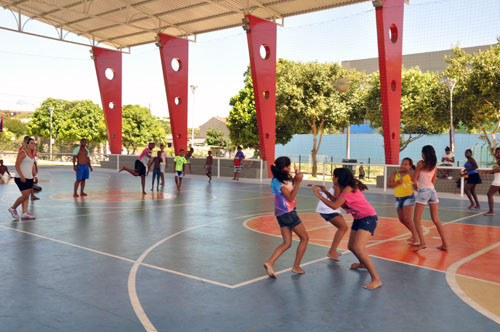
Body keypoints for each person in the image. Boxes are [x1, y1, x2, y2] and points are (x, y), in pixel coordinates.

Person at [312, 167, 382, 290]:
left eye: (333, 176)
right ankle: (362, 264)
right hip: (359, 219)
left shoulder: (348, 190)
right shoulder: (344, 190)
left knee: (359, 248)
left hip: (368, 218)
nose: (332, 178)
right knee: (351, 247)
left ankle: (376, 279)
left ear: (337, 178)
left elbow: (334, 206)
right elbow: (337, 201)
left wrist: (319, 195)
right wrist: (326, 193)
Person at [264, 157, 308, 278]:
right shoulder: (280, 183)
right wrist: (298, 183)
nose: (289, 168)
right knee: (304, 238)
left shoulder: (277, 179)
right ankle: (296, 266)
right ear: (283, 167)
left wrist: (296, 179)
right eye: (287, 166)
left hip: (280, 214)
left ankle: (270, 263)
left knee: (287, 242)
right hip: (288, 213)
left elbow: (289, 186)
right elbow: (290, 197)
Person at [412, 145, 448, 252]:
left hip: (424, 191)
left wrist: (416, 187)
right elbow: (433, 182)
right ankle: (445, 244)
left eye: (422, 152)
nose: (421, 154)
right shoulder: (434, 166)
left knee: (416, 219)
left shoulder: (420, 164)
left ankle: (422, 243)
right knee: (436, 220)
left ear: (425, 154)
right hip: (432, 191)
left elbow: (414, 179)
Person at [310, 182, 348, 261]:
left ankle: (332, 251)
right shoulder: (338, 186)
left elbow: (335, 199)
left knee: (343, 228)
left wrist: (324, 191)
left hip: (328, 208)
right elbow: (336, 200)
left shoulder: (340, 186)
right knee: (343, 228)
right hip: (328, 209)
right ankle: (332, 251)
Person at [387, 158, 419, 245]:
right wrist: (398, 182)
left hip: (408, 197)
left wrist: (416, 185)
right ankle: (414, 233)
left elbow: (416, 187)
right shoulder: (395, 173)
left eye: (405, 164)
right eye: (402, 163)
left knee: (408, 219)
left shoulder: (411, 175)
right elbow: (389, 184)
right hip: (398, 198)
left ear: (410, 166)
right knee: (402, 219)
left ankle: (416, 239)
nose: (403, 166)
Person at [8, 137, 36, 220]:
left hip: (29, 178)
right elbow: (17, 165)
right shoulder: (22, 153)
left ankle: (24, 213)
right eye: (31, 143)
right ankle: (12, 208)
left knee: (26, 196)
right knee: (25, 195)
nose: (33, 145)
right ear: (27, 144)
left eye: (34, 143)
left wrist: (33, 174)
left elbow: (31, 165)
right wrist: (22, 176)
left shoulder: (32, 153)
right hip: (21, 178)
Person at [482, 147, 500, 216]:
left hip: (498, 181)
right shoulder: (498, 161)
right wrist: (488, 172)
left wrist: (491, 171)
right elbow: (496, 171)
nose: (497, 153)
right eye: (497, 152)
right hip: (498, 179)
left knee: (489, 194)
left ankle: (491, 211)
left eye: (499, 152)